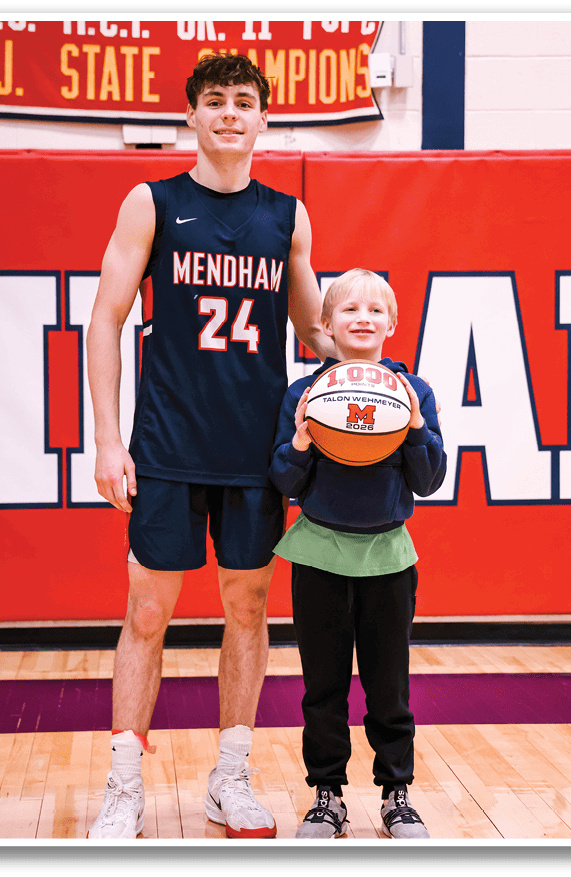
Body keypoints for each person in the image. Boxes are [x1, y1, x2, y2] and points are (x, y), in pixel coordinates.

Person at [86, 53, 333, 839]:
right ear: (190, 116)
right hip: (165, 445)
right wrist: (106, 439)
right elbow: (105, 317)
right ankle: (124, 786)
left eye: (245, 102)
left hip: (255, 453)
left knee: (248, 608)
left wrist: (368, 348)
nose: (231, 113)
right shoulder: (150, 201)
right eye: (216, 101)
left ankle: (231, 777)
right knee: (148, 610)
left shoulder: (287, 215)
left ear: (265, 119)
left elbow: (311, 329)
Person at [268, 268, 446, 839]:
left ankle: (397, 794)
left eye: (375, 310)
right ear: (324, 325)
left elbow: (429, 480)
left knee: (388, 684)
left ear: (391, 325)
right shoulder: (304, 394)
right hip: (319, 554)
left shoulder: (412, 392)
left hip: (388, 560)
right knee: (323, 685)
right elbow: (283, 483)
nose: (362, 318)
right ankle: (327, 795)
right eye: (348, 310)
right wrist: (299, 442)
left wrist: (416, 428)